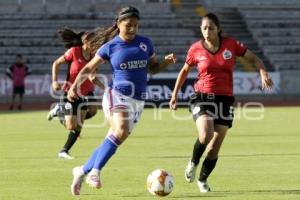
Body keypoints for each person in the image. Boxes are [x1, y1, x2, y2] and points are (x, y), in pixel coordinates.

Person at [67, 6, 176, 195]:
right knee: (121, 130)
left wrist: (166, 62)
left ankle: (81, 170)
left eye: (136, 25)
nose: (132, 29)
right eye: (128, 25)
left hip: (138, 101)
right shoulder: (110, 46)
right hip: (116, 94)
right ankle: (95, 172)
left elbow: (153, 69)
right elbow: (87, 68)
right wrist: (74, 86)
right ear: (118, 24)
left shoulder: (145, 43)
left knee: (116, 137)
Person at [169, 13, 274, 193]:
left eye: (211, 27)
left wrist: (263, 72)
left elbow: (254, 58)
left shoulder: (231, 45)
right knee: (205, 134)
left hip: (225, 100)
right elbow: (184, 71)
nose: (207, 31)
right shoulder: (195, 49)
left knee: (214, 149)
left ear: (218, 29)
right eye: (204, 28)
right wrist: (174, 95)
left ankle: (202, 180)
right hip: (202, 96)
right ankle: (193, 162)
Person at [49, 27, 105, 160]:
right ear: (85, 41)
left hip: (86, 93)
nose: (95, 44)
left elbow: (93, 77)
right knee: (71, 125)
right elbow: (56, 63)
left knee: (83, 120)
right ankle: (59, 112)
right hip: (71, 92)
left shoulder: (94, 57)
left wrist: (106, 88)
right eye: (93, 41)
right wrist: (54, 81)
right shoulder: (74, 51)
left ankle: (64, 151)